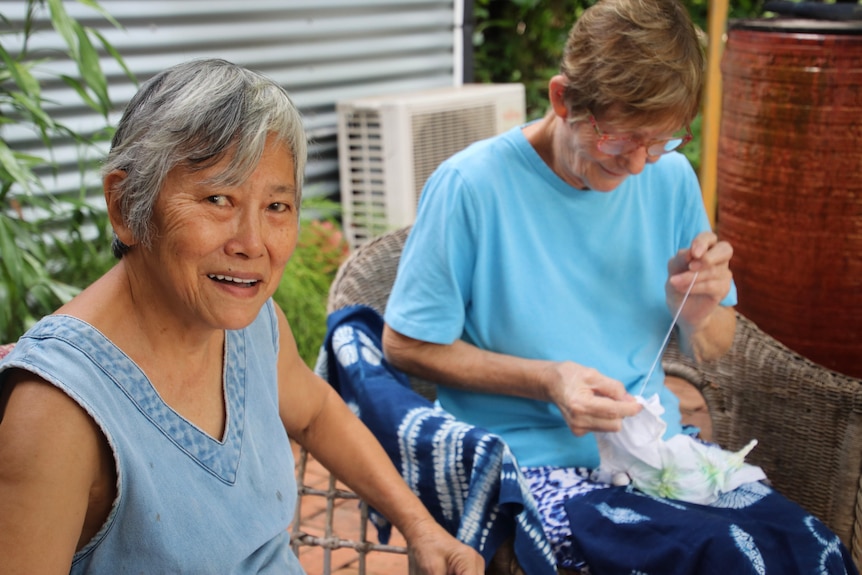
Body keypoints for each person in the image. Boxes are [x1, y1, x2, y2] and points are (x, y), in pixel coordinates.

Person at [381, 0, 857, 573]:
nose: (637, 166)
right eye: (619, 139)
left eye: (659, 141)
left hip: (657, 461)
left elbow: (715, 347)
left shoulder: (670, 176)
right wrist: (548, 379)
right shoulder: (470, 186)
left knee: (817, 555)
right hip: (527, 466)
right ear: (562, 99)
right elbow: (405, 345)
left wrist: (703, 307)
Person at [0, 59, 484, 575]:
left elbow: (317, 412)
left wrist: (420, 526)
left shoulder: (251, 325)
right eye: (217, 199)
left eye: (277, 206)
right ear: (125, 206)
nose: (252, 245)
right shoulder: (58, 412)